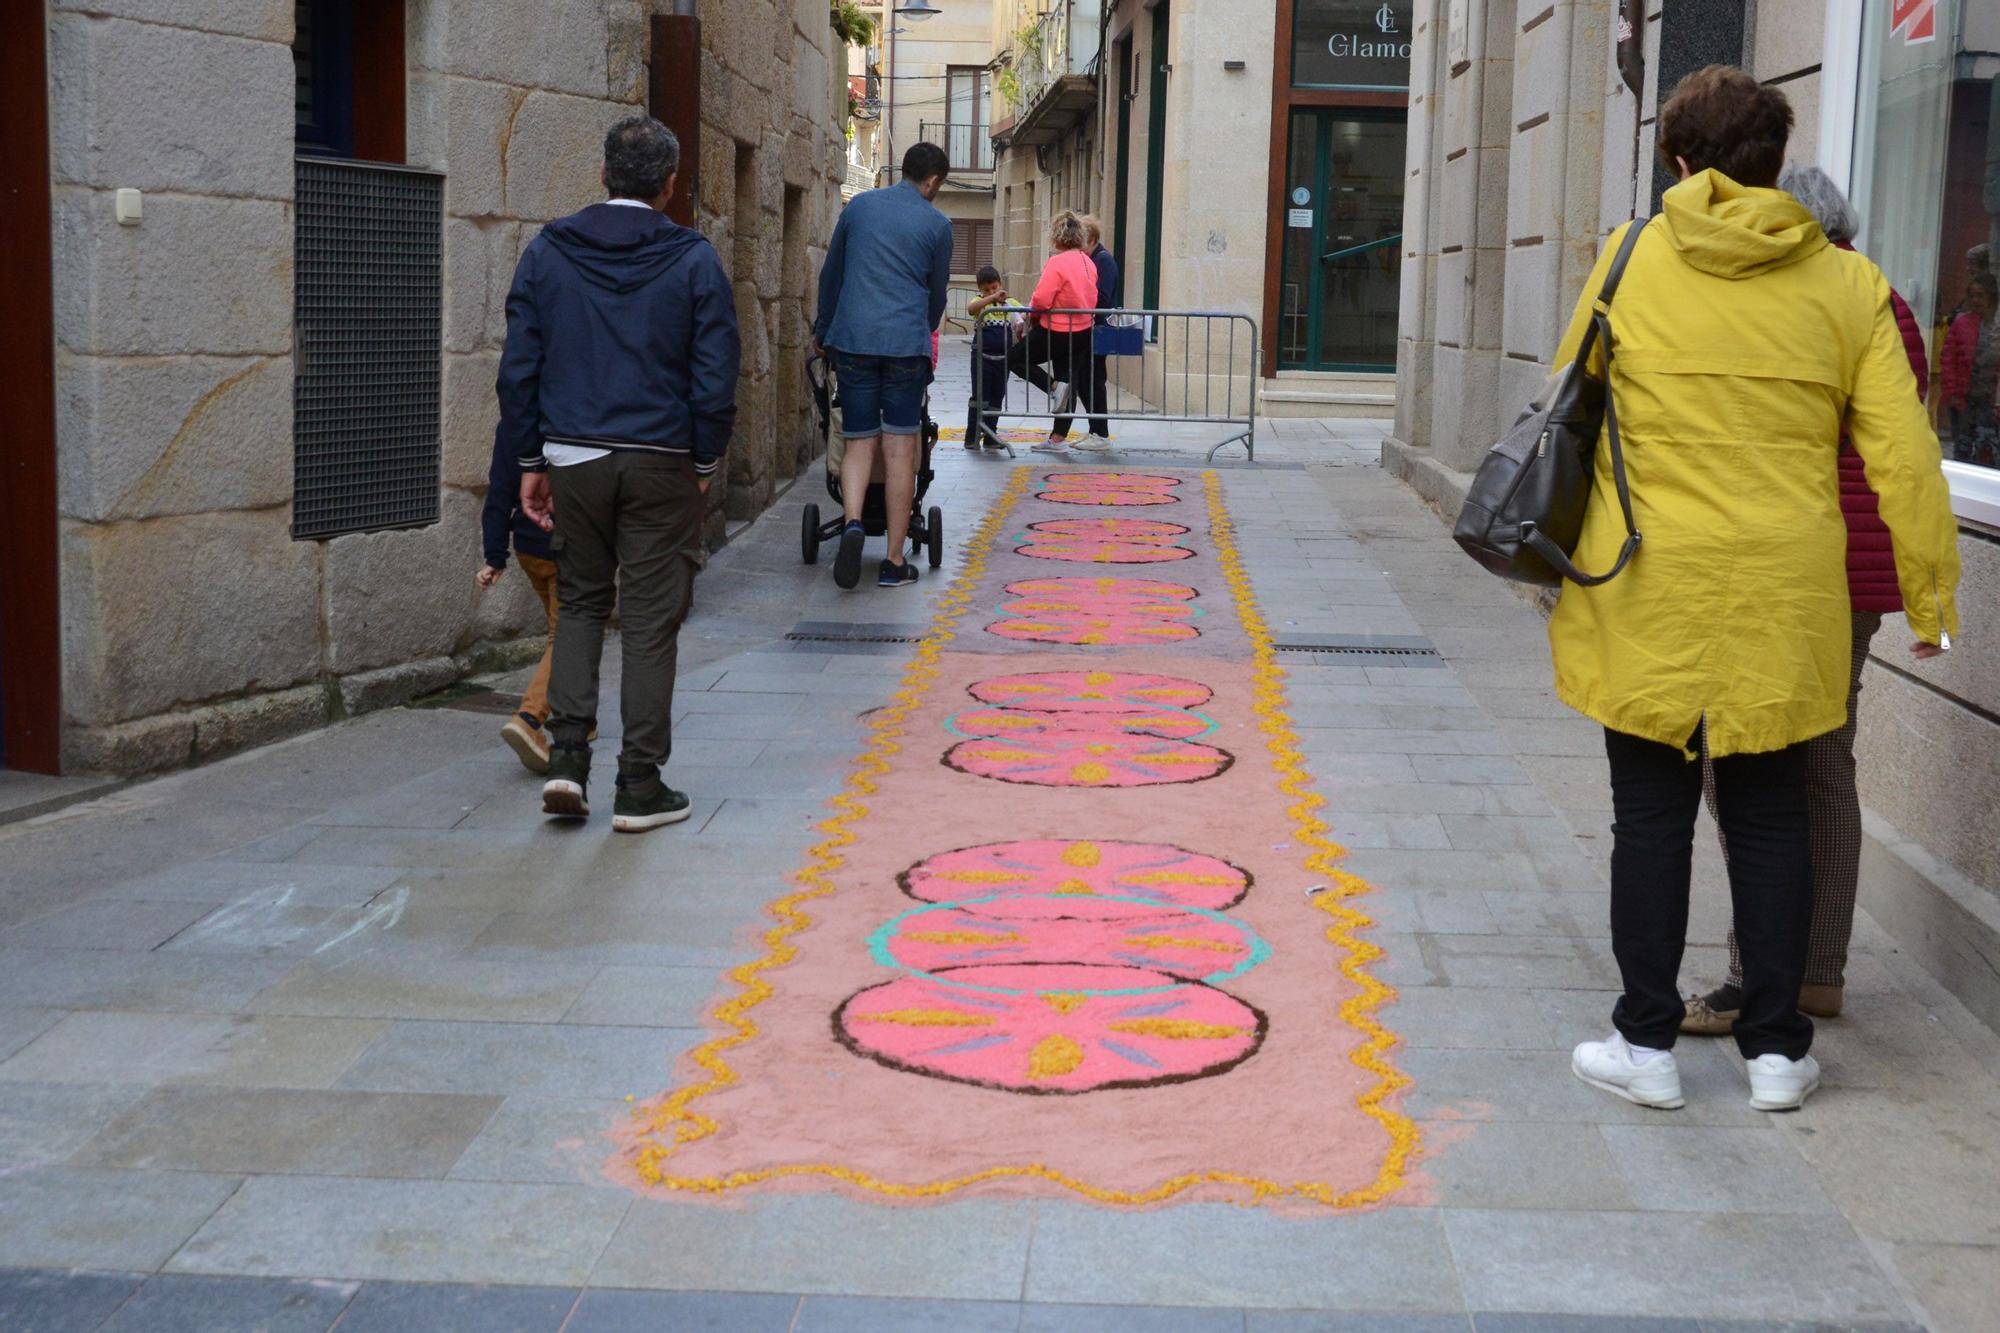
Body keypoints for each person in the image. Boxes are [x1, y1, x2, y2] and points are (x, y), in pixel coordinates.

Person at [1554, 67, 1959, 1114]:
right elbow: (1903, 459)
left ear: (1677, 164)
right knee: (1772, 813)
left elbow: (1565, 407)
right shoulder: (1847, 286)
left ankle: (1643, 1044)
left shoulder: (1630, 257)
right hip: (1786, 591)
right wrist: (1926, 597)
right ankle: (1775, 1050)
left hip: (1648, 583)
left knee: (1647, 815)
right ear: (1773, 165)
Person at [1679, 164, 1933, 1037]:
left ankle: (1764, 970)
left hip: (1800, 569)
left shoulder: (1821, 297)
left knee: (1742, 759)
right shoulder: (1883, 299)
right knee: (1824, 762)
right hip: (1854, 575)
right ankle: (1815, 968)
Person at [503, 116, 741, 833]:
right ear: (669, 186)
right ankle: (638, 785)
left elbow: (520, 369)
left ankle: (568, 759)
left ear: (603, 174)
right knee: (648, 621)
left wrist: (529, 462)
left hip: (571, 455)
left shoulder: (548, 252)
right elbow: (715, 376)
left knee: (579, 604)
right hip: (663, 458)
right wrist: (704, 460)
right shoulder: (695, 260)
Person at [812, 142, 954, 590]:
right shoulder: (937, 224)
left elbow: (831, 275)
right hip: (904, 347)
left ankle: (853, 522)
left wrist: (823, 330)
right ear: (932, 181)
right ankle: (894, 561)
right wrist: (922, 327)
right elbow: (936, 296)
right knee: (899, 450)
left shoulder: (860, 208)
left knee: (857, 442)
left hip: (853, 341)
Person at [476, 424, 561, 774]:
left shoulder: (513, 427)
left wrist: (495, 556)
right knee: (569, 635)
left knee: (567, 630)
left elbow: (499, 492)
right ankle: (529, 717)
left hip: (527, 549)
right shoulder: (571, 415)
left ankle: (579, 718)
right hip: (563, 544)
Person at [1008, 210, 1100, 455]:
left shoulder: (1057, 262)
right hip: (1082, 331)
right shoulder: (1088, 263)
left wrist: (1031, 316)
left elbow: (1042, 298)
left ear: (1057, 236)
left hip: (1056, 329)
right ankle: (1058, 439)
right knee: (1068, 378)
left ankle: (1051, 386)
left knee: (1015, 358)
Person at [1075, 216, 1124, 450]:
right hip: (1089, 329)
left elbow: (1103, 298)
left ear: (1092, 239)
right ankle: (1095, 430)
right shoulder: (1093, 259)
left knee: (1093, 381)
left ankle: (1100, 433)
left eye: (1081, 240)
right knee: (1086, 381)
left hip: (1098, 329)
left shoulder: (1102, 261)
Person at [1941, 272, 1998, 463]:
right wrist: (1952, 392)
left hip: (1989, 401)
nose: (1975, 300)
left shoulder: (1996, 326)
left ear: (1991, 296)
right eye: (1972, 295)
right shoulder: (1962, 323)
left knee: (1988, 450)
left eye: (1980, 295)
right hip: (1964, 398)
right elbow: (1949, 359)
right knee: (1962, 447)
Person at [965, 265, 1017, 449]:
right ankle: (972, 437)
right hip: (981, 357)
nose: (992, 292)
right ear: (980, 290)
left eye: (994, 288)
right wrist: (990, 298)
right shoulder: (980, 301)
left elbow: (1024, 313)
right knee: (980, 396)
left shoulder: (1009, 302)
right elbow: (971, 309)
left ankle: (990, 435)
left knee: (997, 397)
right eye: (986, 290)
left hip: (1003, 358)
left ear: (1000, 284)